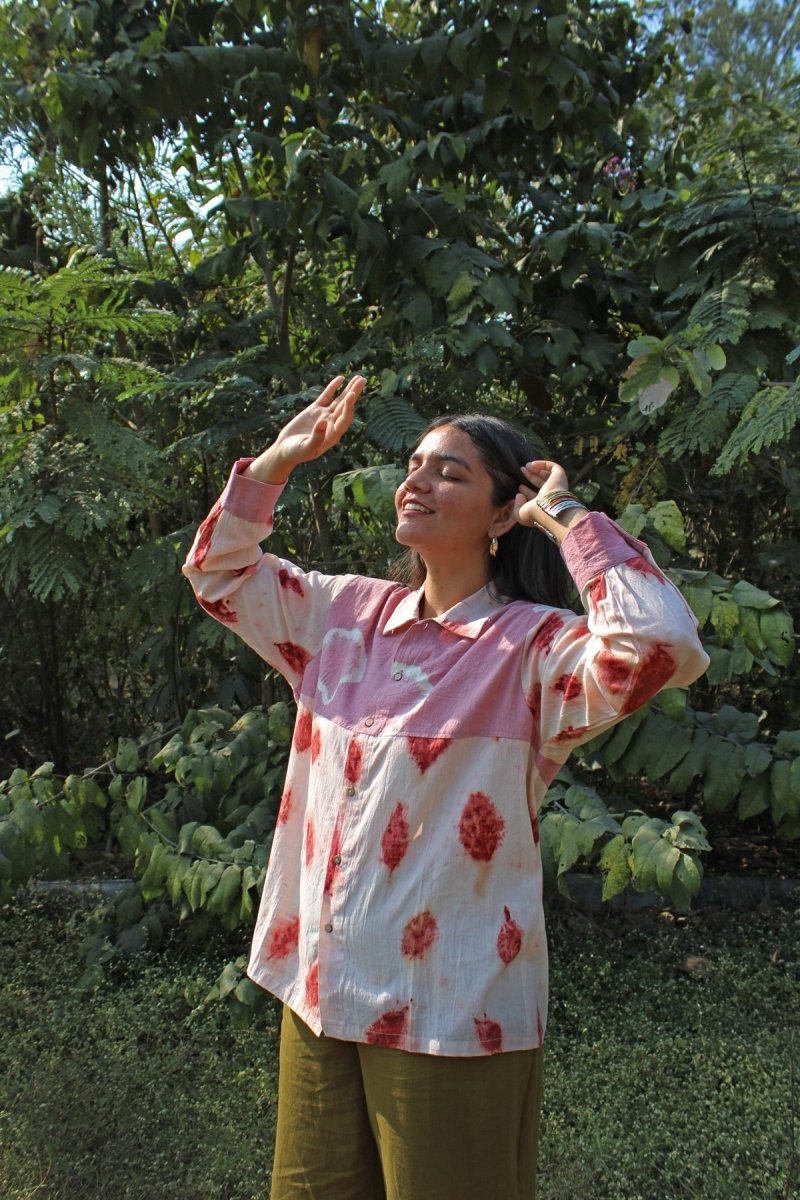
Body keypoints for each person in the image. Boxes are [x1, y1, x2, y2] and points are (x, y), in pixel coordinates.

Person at [183, 374, 709, 1200]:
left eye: (450, 471)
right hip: (317, 989)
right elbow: (217, 574)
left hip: (452, 1012)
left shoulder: (536, 653)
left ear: (504, 515)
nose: (417, 481)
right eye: (415, 463)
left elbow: (661, 644)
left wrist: (567, 519)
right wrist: (277, 463)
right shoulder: (343, 617)